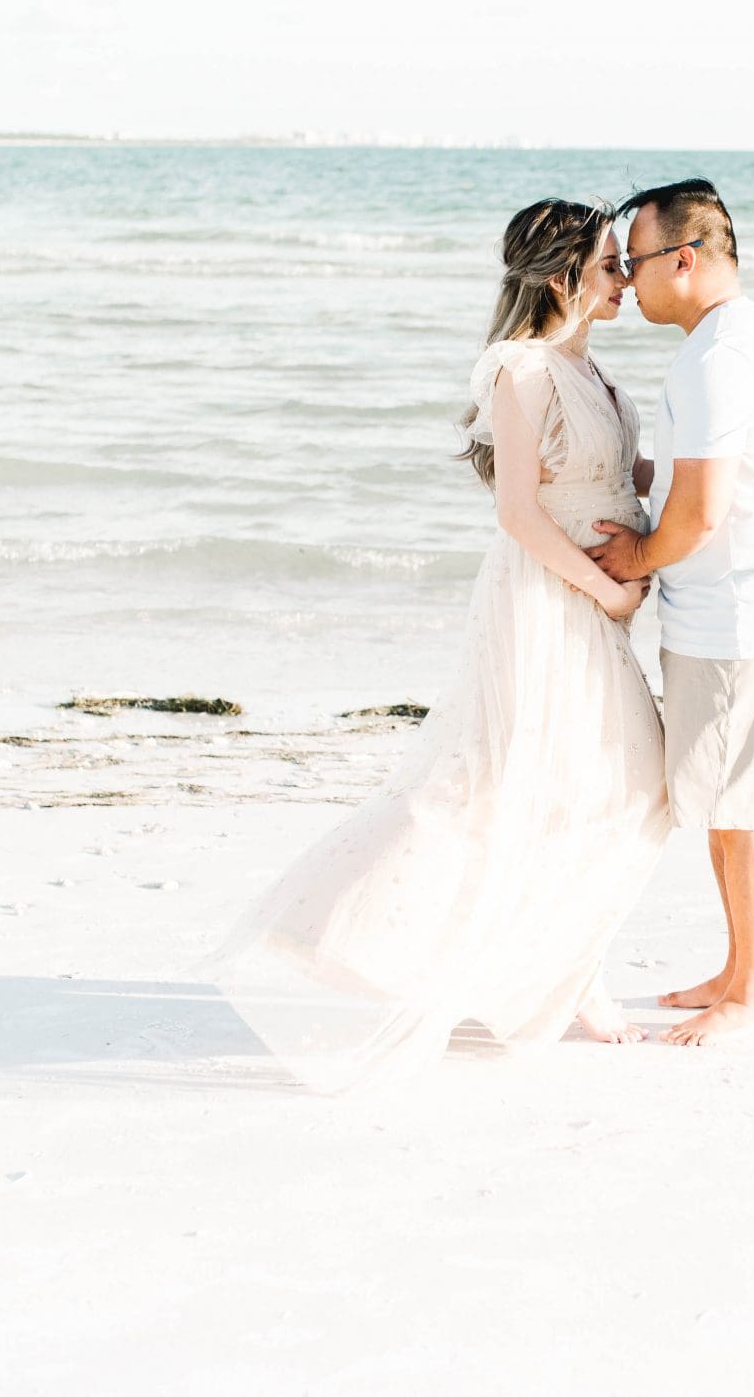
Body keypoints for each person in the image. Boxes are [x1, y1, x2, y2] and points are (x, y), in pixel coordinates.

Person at [211, 199, 672, 1091]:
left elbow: (615, 475)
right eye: (610, 264)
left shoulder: (592, 371)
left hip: (597, 599)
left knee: (617, 780)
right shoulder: (522, 370)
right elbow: (520, 514)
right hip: (547, 600)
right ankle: (331, 927)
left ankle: (562, 968)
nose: (624, 277)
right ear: (562, 276)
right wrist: (609, 585)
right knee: (519, 781)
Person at [587, 178, 754, 1046]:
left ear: (684, 260)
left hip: (738, 617)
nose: (629, 279)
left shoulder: (720, 356)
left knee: (739, 808)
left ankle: (753, 990)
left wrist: (637, 556)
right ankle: (737, 967)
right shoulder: (732, 339)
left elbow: (703, 511)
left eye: (637, 261)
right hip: (740, 607)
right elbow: (694, 480)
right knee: (727, 800)